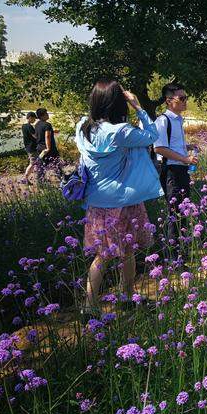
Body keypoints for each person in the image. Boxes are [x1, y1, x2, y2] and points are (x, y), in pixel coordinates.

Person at [75, 80, 163, 317]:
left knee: (102, 255)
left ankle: (89, 306)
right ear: (117, 104)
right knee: (127, 251)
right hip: (122, 201)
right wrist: (138, 107)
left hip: (96, 202)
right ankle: (126, 296)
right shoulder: (120, 132)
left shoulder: (83, 126)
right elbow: (152, 135)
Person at [153, 83, 199, 254]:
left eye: (185, 97)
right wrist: (186, 159)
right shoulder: (163, 121)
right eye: (181, 98)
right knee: (175, 212)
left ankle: (182, 248)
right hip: (171, 171)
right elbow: (159, 148)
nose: (185, 101)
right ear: (168, 101)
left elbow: (172, 144)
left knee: (183, 210)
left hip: (180, 170)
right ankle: (174, 254)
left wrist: (187, 146)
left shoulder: (177, 120)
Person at [34, 108, 61, 180]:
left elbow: (38, 135)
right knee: (57, 163)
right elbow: (47, 136)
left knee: (42, 165)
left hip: (40, 147)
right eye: (46, 113)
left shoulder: (37, 124)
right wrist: (48, 148)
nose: (48, 115)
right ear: (42, 115)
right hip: (49, 149)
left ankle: (40, 181)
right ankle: (62, 178)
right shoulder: (47, 125)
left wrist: (53, 131)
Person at [21, 111, 37, 183]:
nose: (35, 120)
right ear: (30, 118)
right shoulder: (29, 126)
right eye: (34, 118)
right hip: (32, 147)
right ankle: (25, 178)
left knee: (35, 163)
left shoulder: (23, 126)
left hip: (27, 146)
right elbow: (35, 136)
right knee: (32, 163)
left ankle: (39, 176)